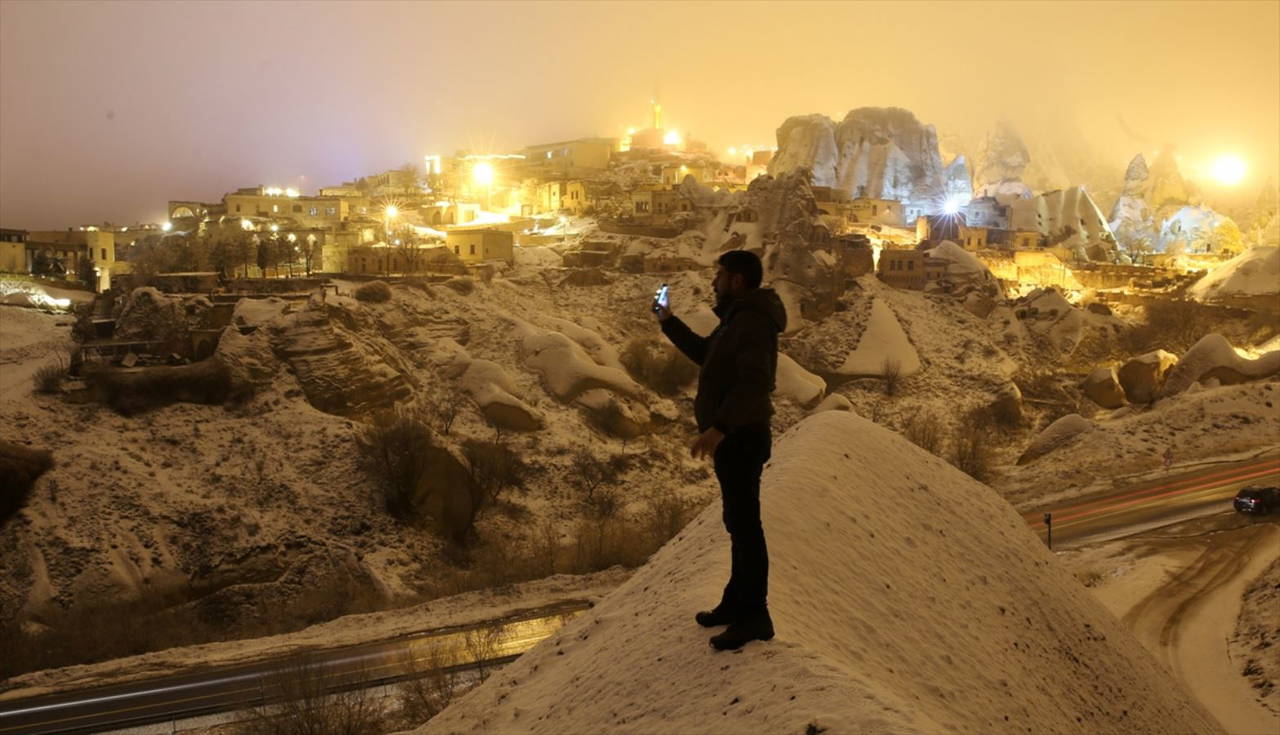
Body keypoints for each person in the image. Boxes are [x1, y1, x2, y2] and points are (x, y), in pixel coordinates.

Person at [653, 249, 786, 650]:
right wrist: (668, 322)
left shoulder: (751, 323)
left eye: (720, 276)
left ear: (738, 281)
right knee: (737, 524)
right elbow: (705, 356)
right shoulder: (736, 321)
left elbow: (754, 383)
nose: (714, 283)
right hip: (734, 437)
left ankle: (755, 616)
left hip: (741, 437)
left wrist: (719, 429)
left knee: (747, 528)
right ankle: (736, 602)